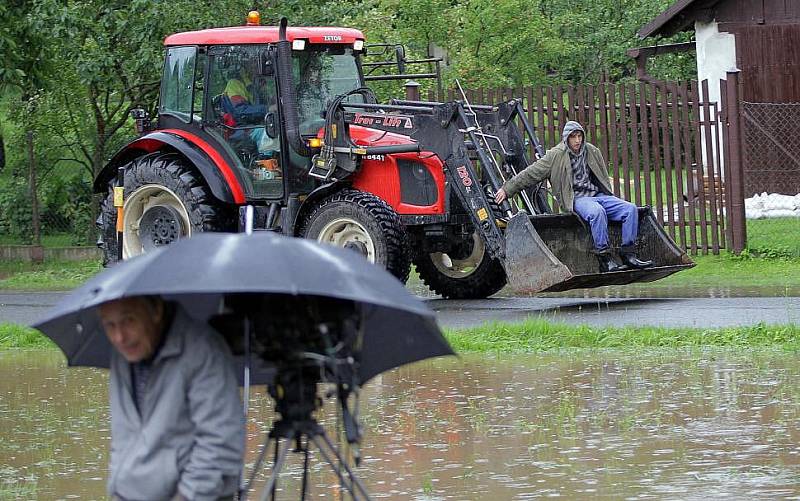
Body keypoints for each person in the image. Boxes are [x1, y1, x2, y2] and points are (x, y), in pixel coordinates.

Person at [98, 295, 245, 501]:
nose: (119, 337)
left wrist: (186, 496)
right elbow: (122, 438)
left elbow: (220, 440)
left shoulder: (202, 349)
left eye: (129, 320)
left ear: (156, 310)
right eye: (109, 325)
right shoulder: (122, 355)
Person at [495, 120, 653, 272]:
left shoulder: (591, 151)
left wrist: (606, 193)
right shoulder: (555, 156)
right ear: (566, 138)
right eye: (573, 136)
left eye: (579, 136)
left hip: (597, 195)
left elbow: (602, 176)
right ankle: (604, 259)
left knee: (630, 209)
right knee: (597, 212)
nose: (577, 140)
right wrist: (507, 189)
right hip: (577, 198)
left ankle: (628, 255)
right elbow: (531, 174)